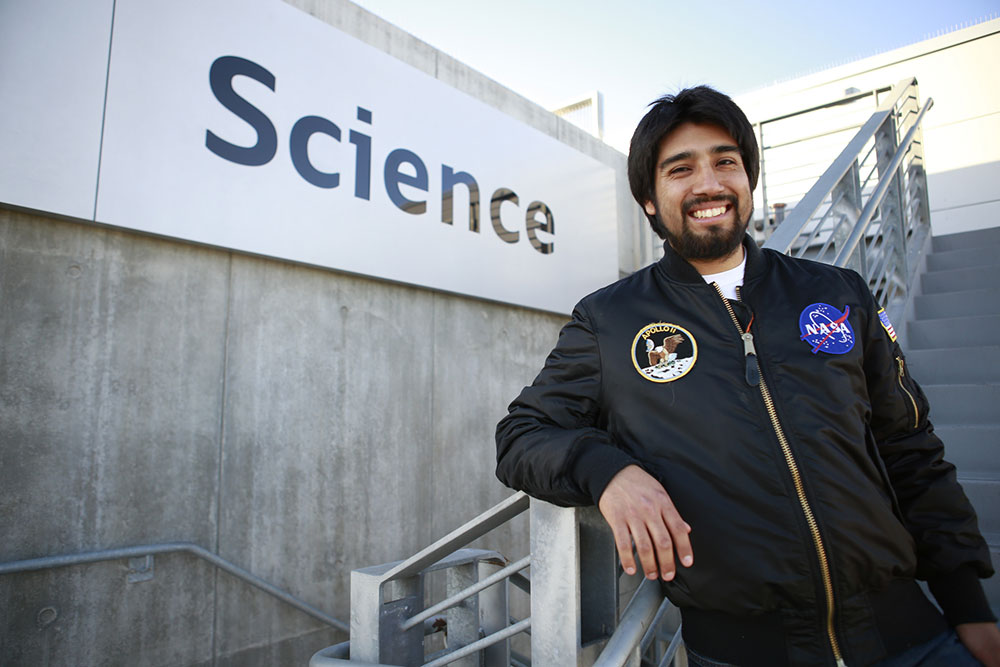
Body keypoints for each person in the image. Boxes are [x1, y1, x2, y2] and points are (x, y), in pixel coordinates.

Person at [495, 86, 999, 666]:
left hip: (911, 640)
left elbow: (910, 449)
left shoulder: (837, 293)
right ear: (650, 201)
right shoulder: (609, 321)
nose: (708, 183)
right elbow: (522, 435)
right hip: (740, 653)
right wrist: (608, 472)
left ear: (748, 181)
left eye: (725, 162)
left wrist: (967, 604)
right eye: (680, 169)